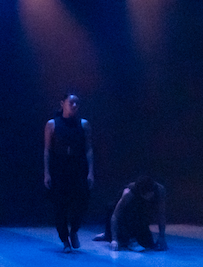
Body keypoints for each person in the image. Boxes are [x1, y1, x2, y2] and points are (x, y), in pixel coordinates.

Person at [43, 93, 93, 252]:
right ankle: (65, 241)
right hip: (59, 167)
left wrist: (90, 172)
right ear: (62, 104)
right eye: (71, 103)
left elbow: (89, 149)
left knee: (80, 203)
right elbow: (47, 150)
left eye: (77, 103)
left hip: (77, 166)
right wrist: (47, 172)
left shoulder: (84, 124)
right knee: (60, 206)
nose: (74, 106)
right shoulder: (52, 124)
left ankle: (74, 230)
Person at [94, 176, 168, 251]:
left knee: (148, 243)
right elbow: (115, 215)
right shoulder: (128, 193)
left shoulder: (160, 190)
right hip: (124, 213)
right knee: (122, 235)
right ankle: (109, 234)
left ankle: (116, 236)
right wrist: (114, 240)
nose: (148, 198)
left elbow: (161, 214)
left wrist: (162, 237)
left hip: (139, 213)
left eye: (149, 195)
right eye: (145, 195)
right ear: (140, 193)